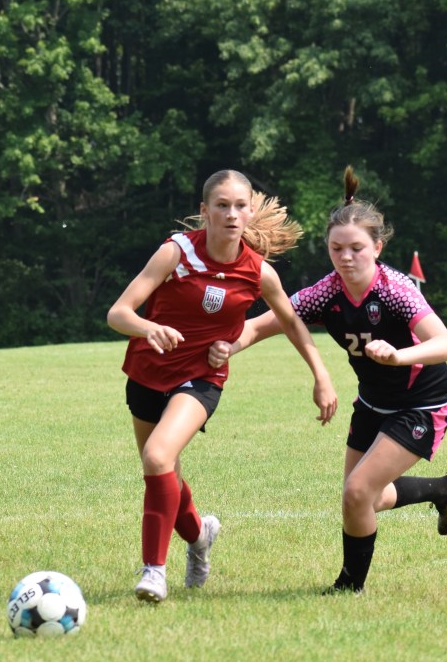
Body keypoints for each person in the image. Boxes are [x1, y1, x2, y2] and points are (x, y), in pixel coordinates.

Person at [209, 166, 447, 595]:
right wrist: (228, 346)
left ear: (377, 247)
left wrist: (399, 355)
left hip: (422, 403)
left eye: (356, 248)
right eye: (336, 249)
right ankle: (444, 489)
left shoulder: (395, 290)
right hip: (372, 403)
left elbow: (446, 344)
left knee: (357, 492)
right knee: (363, 497)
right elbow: (261, 325)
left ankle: (350, 587)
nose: (346, 257)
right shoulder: (326, 292)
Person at [107, 170, 338, 603]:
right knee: (164, 471)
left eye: (239, 206)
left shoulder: (259, 273)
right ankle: (200, 536)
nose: (231, 214)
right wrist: (148, 328)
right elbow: (118, 313)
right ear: (205, 211)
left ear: (250, 212)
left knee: (157, 457)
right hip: (145, 373)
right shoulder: (176, 253)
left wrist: (321, 376)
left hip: (200, 379)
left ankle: (154, 572)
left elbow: (292, 323)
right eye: (222, 205)